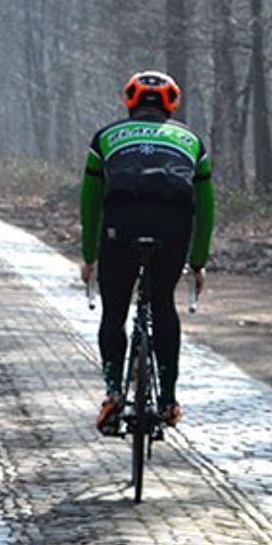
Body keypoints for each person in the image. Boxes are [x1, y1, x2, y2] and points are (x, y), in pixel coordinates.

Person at [79, 70, 215, 435]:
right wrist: (198, 262)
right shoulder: (192, 141)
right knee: (163, 306)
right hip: (173, 228)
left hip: (119, 227)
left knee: (115, 310)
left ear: (131, 102)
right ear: (171, 104)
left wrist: (89, 256)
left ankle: (113, 393)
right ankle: (168, 399)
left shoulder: (105, 137)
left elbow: (90, 202)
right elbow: (206, 209)